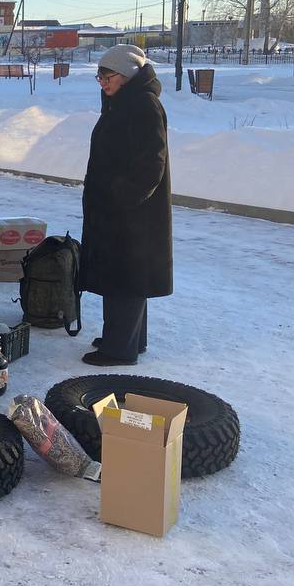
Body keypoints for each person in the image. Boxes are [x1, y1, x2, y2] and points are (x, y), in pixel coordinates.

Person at [79, 44, 172, 367]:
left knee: (125, 277)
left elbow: (152, 163)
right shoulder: (122, 103)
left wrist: (122, 199)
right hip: (120, 209)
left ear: (128, 75)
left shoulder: (143, 105)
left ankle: (119, 349)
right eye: (99, 77)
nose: (103, 83)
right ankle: (129, 338)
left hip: (132, 213)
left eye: (108, 76)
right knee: (126, 277)